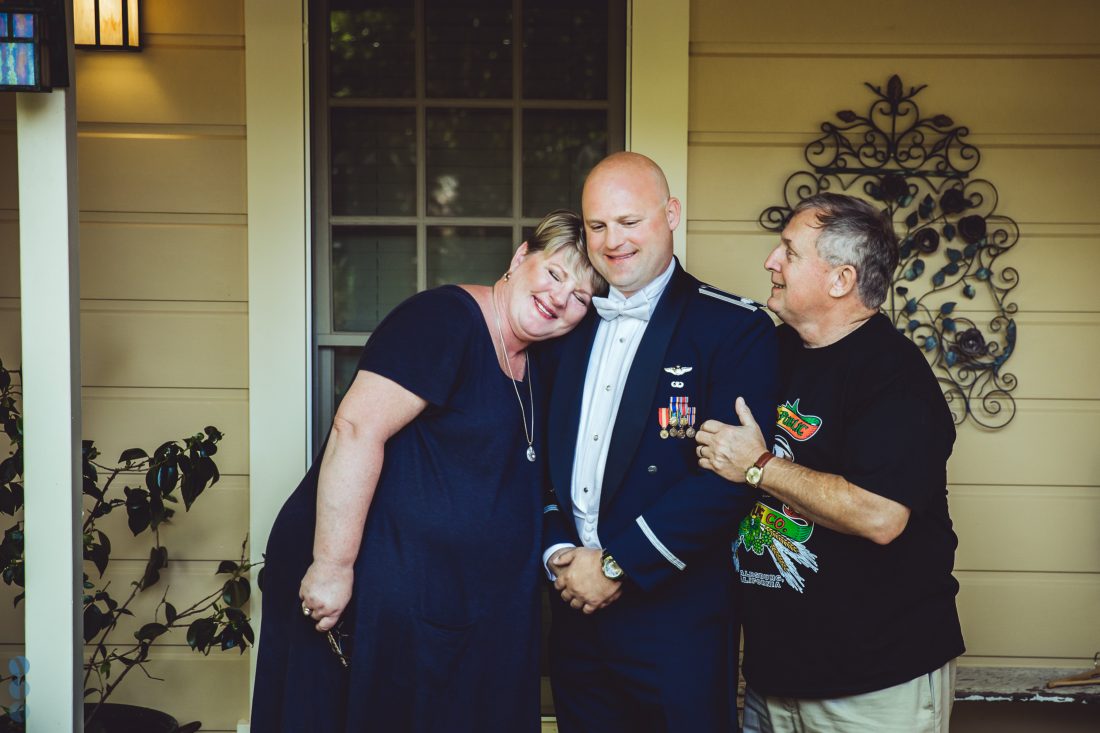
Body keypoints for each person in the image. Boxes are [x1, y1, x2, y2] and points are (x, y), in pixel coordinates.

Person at [250, 210, 606, 733]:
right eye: (555, 274)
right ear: (519, 258)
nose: (560, 298)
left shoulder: (535, 362)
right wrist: (333, 565)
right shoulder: (444, 320)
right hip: (371, 597)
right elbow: (356, 430)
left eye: (580, 297)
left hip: (452, 612)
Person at [695, 192, 965, 732]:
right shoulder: (773, 352)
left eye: (790, 253)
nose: (771, 261)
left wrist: (759, 466)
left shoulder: (892, 375)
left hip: (874, 683)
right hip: (774, 677)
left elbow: (880, 515)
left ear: (840, 280)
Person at [540, 151, 778, 732]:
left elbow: (728, 481)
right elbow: (537, 459)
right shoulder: (563, 325)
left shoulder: (732, 328)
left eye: (629, 222)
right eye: (597, 226)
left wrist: (618, 566)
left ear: (671, 214)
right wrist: (558, 554)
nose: (611, 241)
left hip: (676, 620)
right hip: (573, 612)